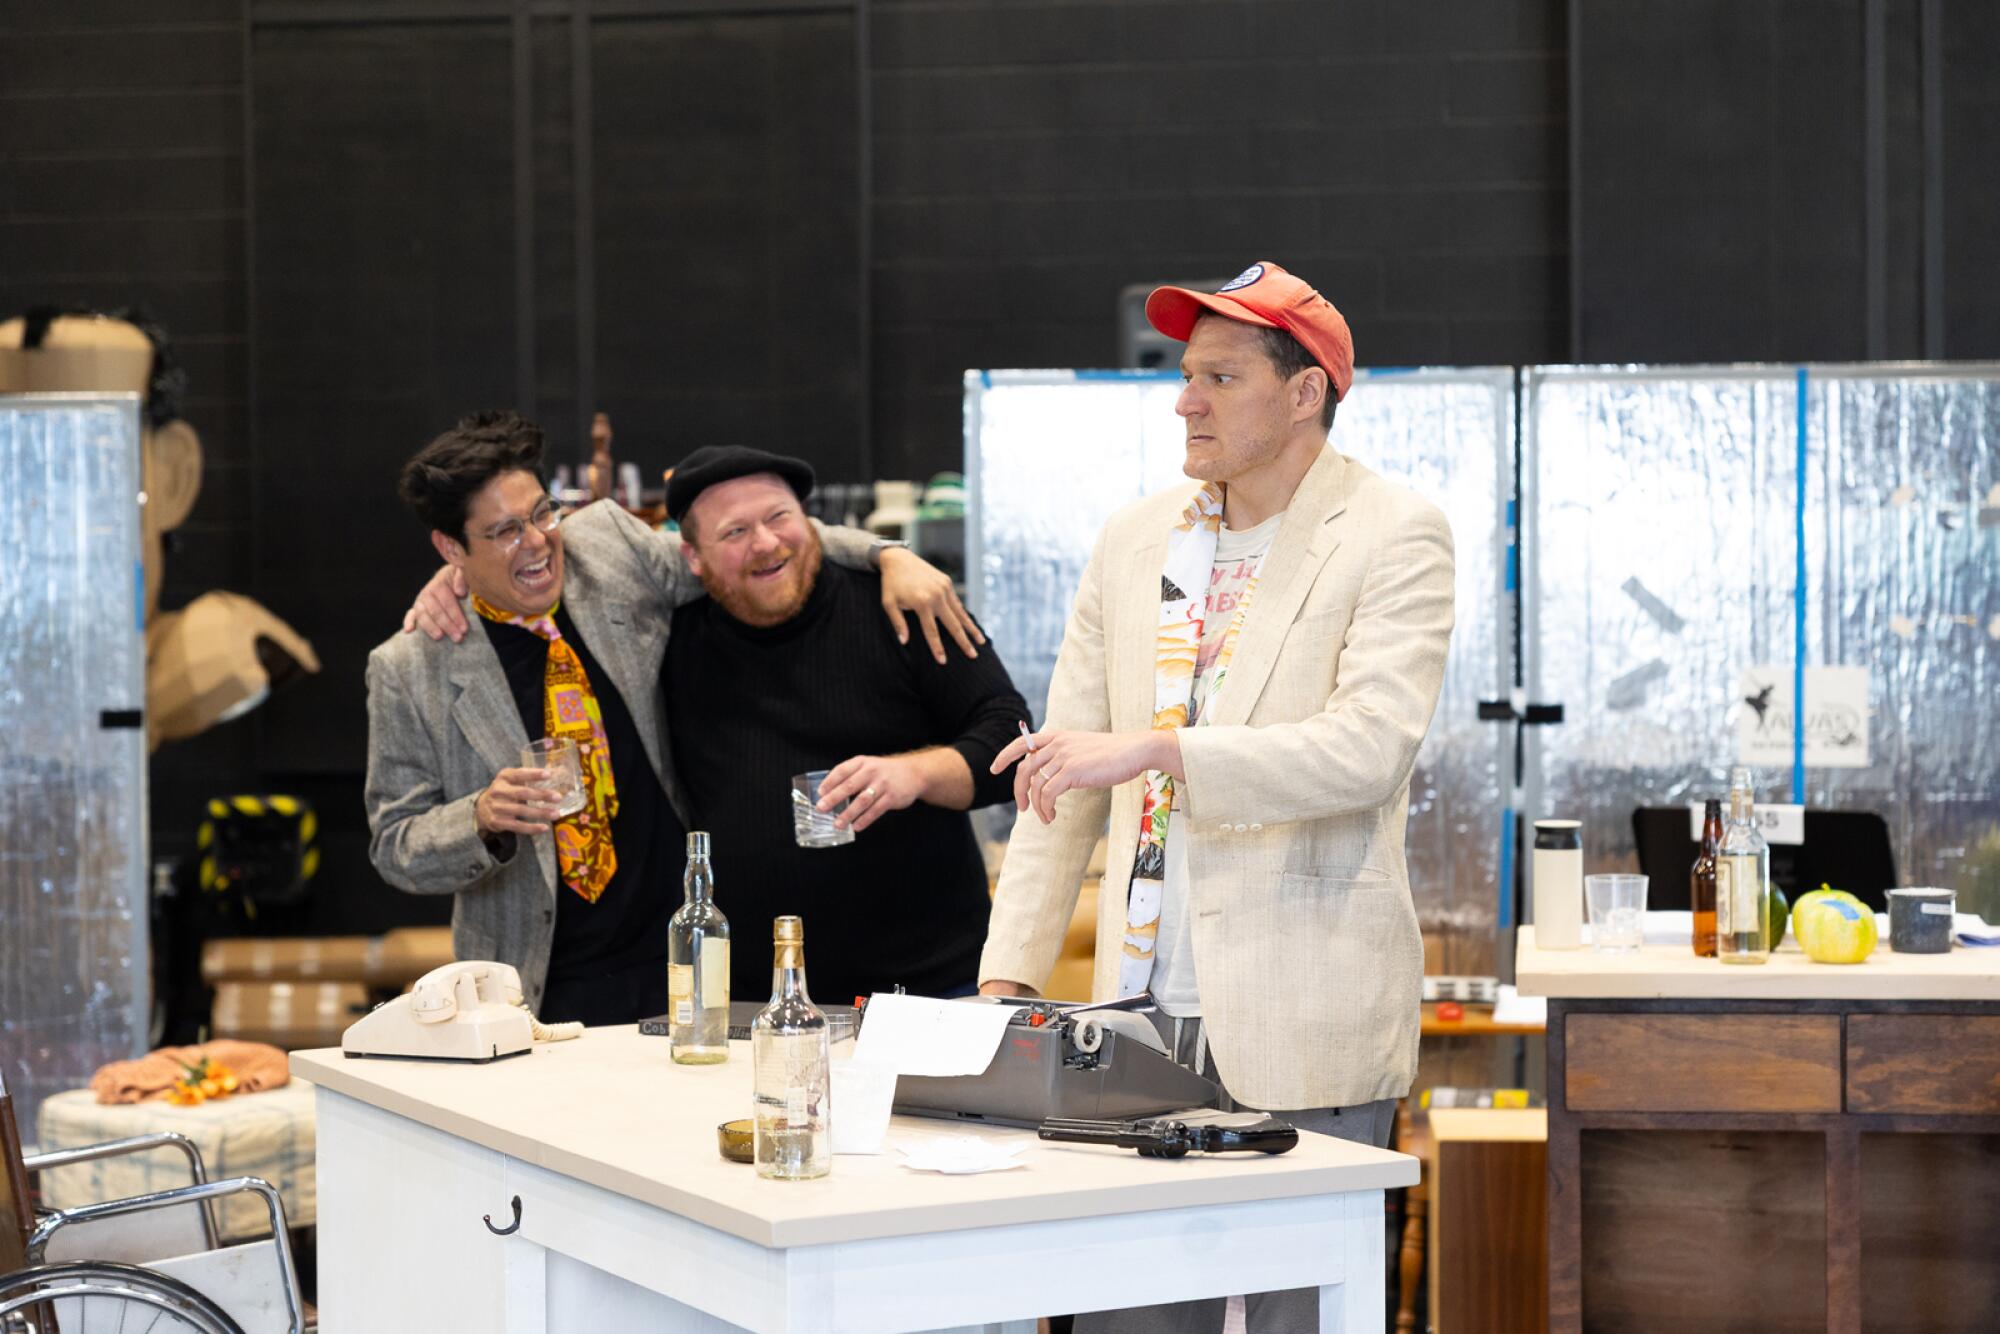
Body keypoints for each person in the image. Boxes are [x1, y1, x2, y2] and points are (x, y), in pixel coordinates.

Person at [977, 262, 1455, 1333]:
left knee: (1306, 1314)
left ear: (1304, 392)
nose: (1184, 400)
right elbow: (1061, 775)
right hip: (1134, 1023)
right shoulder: (1134, 538)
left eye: (1219, 377)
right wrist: (1006, 977)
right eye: (1186, 375)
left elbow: (1365, 749)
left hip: (1306, 1007)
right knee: (1125, 1313)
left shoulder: (1391, 529)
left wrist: (1157, 749)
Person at [367, 411, 971, 1024]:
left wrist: (886, 553)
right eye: (503, 531)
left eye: (542, 513)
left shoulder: (606, 549)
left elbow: (742, 543)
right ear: (450, 548)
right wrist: (480, 818)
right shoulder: (410, 668)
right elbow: (394, 843)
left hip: (683, 961)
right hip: (537, 987)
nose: (537, 541)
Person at [660, 446, 1028, 1005]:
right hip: (747, 1006)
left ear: (811, 522)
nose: (765, 542)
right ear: (691, 556)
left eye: (779, 517)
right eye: (734, 532)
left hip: (927, 993)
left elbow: (1014, 739)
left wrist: (914, 774)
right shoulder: (672, 642)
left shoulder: (905, 607)